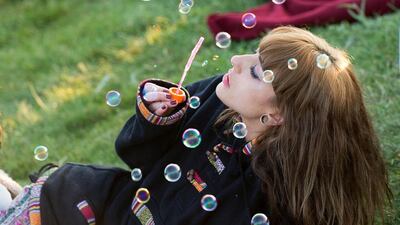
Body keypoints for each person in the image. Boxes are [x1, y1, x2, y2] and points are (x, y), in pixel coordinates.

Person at [0, 26, 393, 225]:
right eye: (253, 53)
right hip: (119, 211)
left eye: (255, 72)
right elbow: (137, 159)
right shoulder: (218, 100)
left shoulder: (277, 197)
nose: (237, 61)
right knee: (65, 191)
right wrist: (157, 119)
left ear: (278, 116)